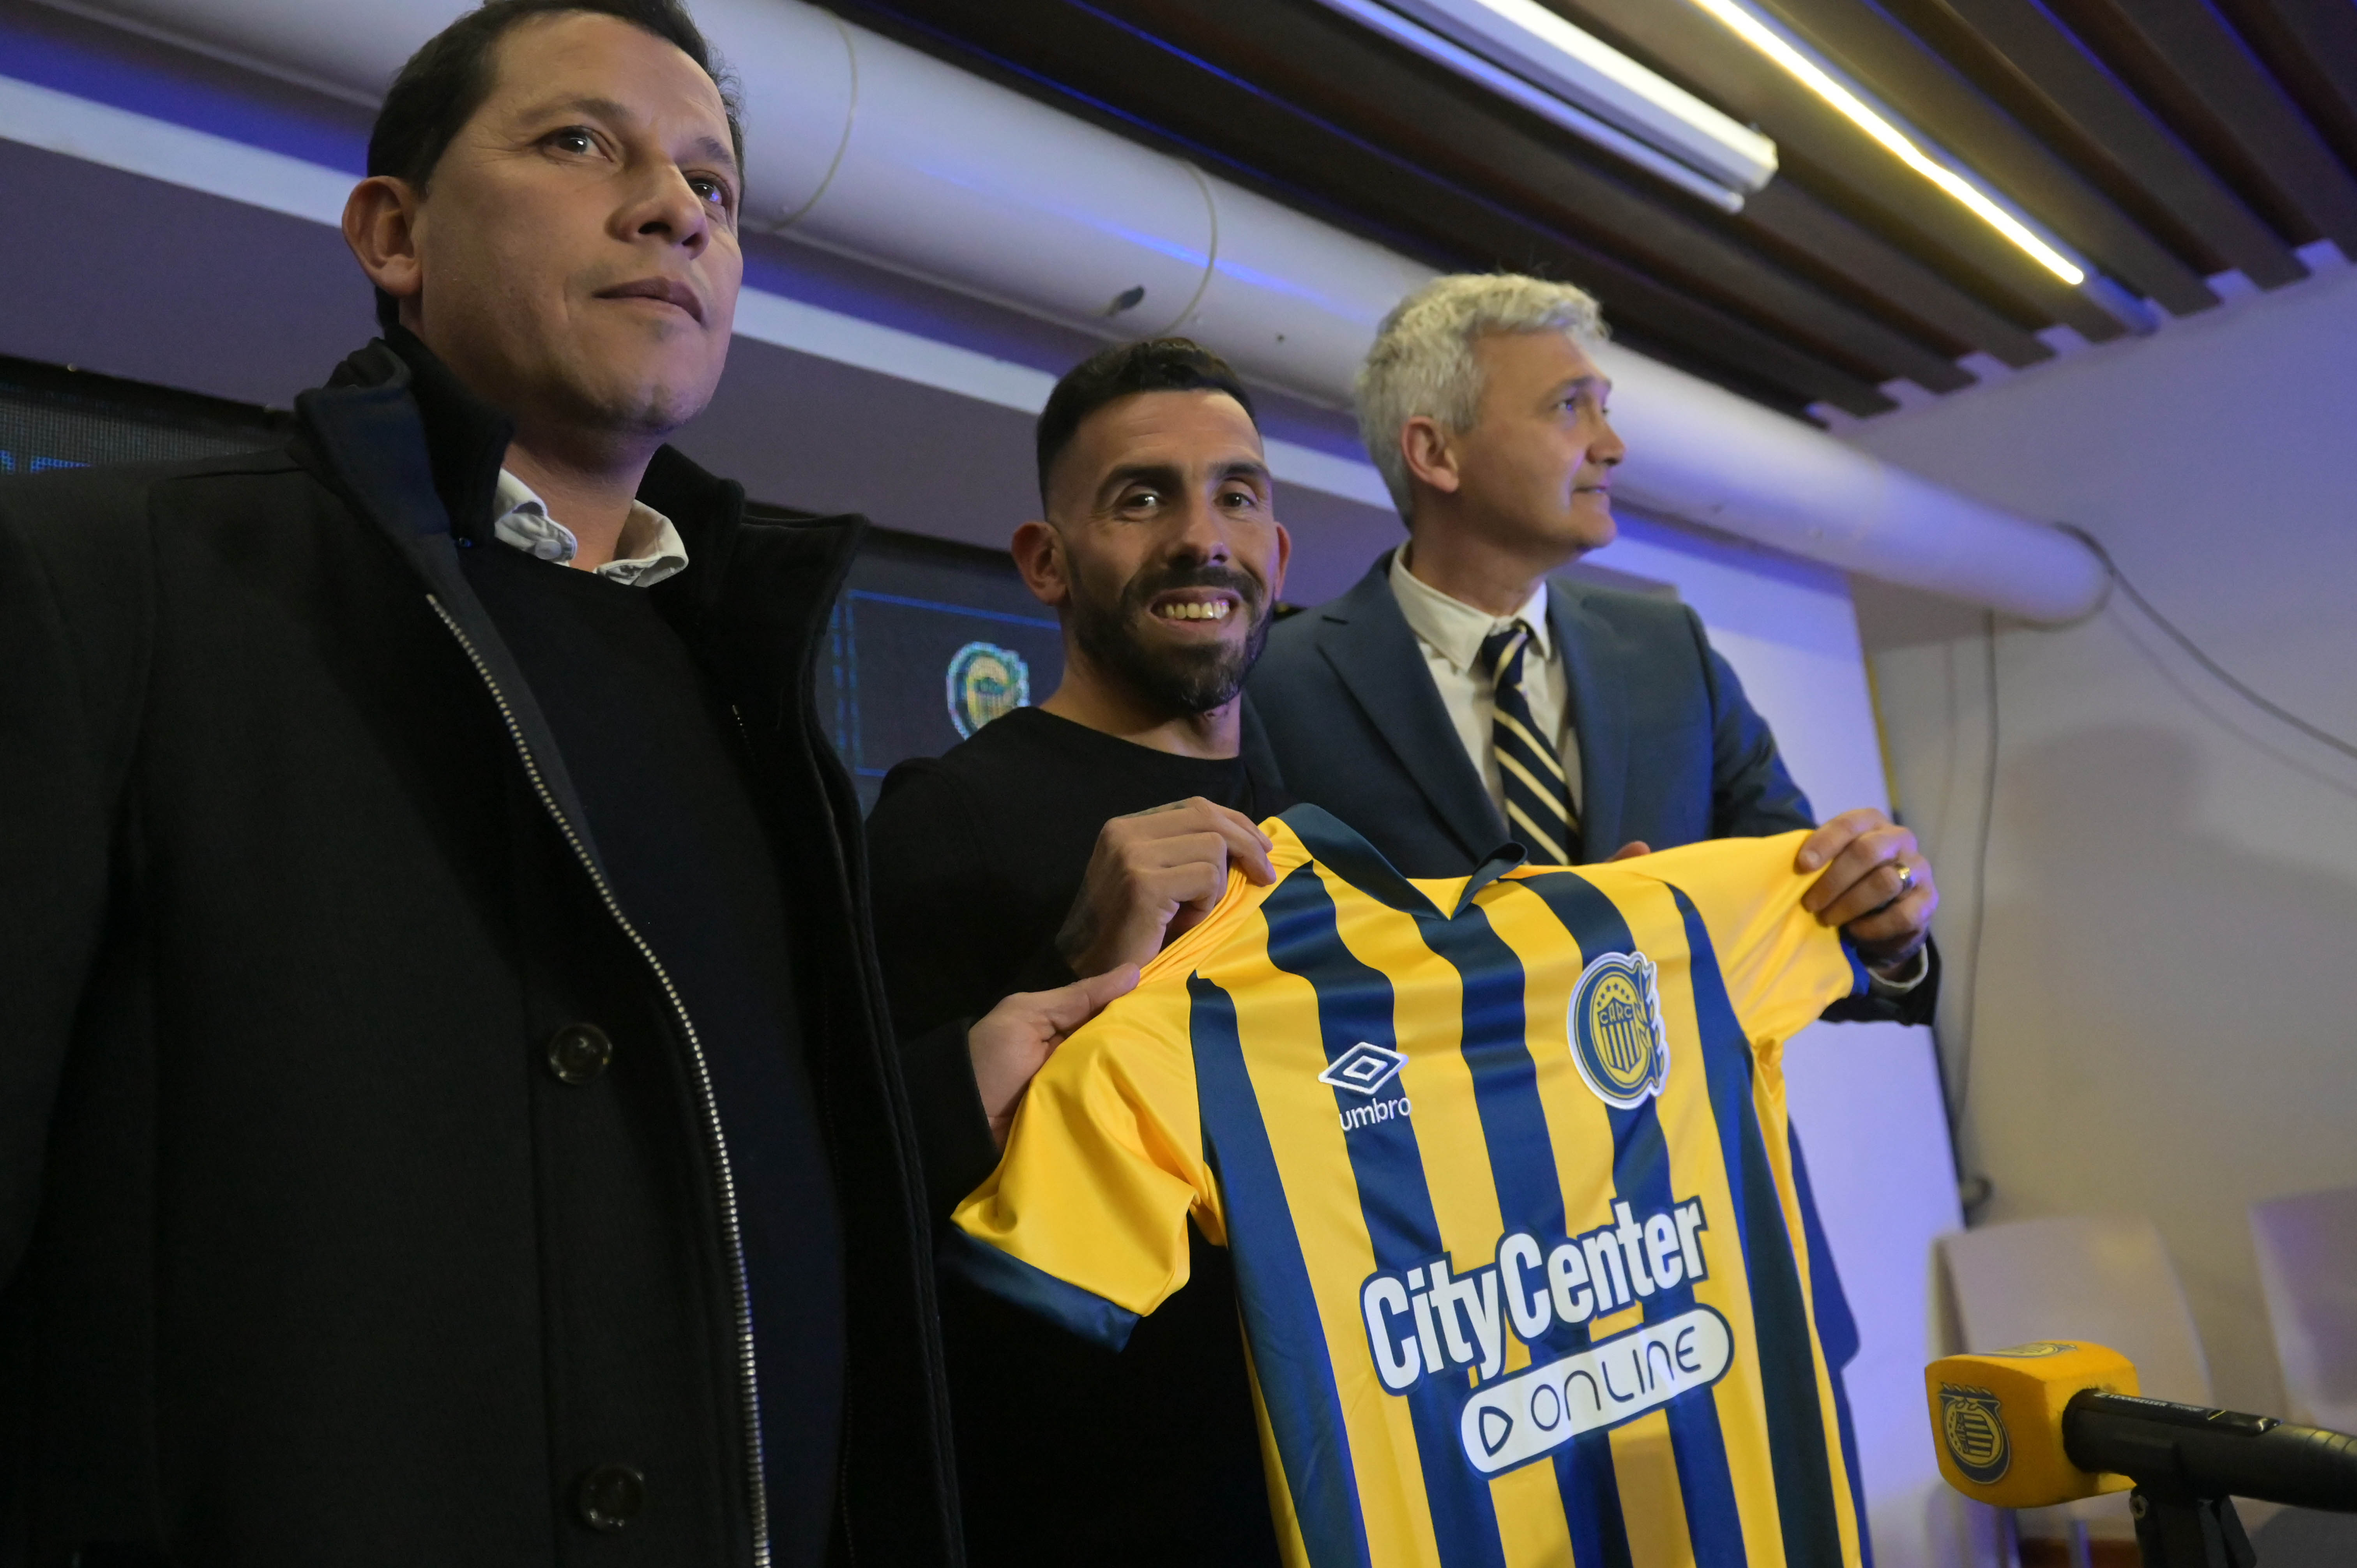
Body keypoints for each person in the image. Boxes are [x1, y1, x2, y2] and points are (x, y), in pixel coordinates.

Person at [0, 3, 1102, 1561]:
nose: (674, 209)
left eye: (714, 189)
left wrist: (963, 1077)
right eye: (580, 142)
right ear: (394, 232)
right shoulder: (114, 584)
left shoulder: (746, 685)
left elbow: (706, 1169)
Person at [1246, 273, 1943, 1557]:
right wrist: (1528, 934)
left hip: (1726, 1288)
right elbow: (1278, 993)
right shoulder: (1282, 679)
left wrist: (1884, 922)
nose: (1610, 444)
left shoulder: (1664, 650)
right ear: (1433, 449)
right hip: (1469, 1332)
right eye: (1572, 406)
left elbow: (1815, 908)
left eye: (1604, 409)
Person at [864, 339, 1291, 1567]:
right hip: (1092, 1520)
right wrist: (1086, 976)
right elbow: (872, 1204)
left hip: (1336, 1493)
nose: (1200, 536)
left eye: (1237, 496)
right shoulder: (948, 816)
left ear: (1277, 554)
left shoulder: (1331, 815)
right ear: (1047, 562)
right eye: (1141, 497)